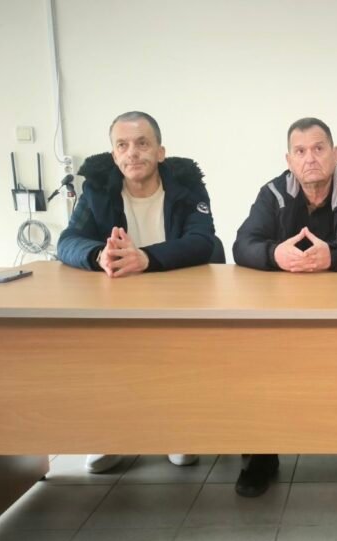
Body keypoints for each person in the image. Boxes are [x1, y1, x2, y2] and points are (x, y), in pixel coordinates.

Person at [232, 117, 337, 497]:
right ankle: (261, 455)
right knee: (257, 362)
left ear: (335, 154)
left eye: (319, 149)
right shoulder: (272, 194)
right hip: (283, 313)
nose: (310, 159)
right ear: (289, 160)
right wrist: (276, 254)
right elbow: (242, 244)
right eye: (300, 151)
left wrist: (332, 256)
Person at [57, 110, 223, 473]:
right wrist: (99, 255)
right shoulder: (98, 190)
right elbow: (67, 241)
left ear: (160, 152)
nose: (132, 152)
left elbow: (202, 240)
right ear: (114, 155)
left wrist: (145, 258)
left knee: (175, 356)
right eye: (123, 145)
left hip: (179, 298)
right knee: (108, 355)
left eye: (142, 143)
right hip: (118, 300)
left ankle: (178, 430)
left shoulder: (187, 187)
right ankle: (114, 433)